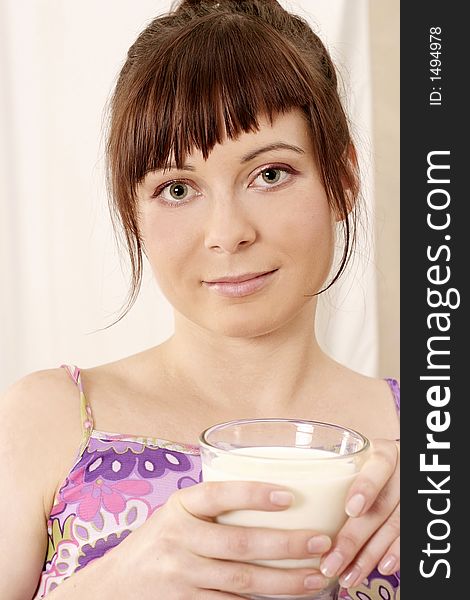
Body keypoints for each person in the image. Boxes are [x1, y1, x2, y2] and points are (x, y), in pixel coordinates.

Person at [0, 1, 400, 598]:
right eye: (177, 188)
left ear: (341, 177)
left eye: (269, 174)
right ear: (130, 212)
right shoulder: (46, 419)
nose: (227, 232)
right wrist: (113, 583)